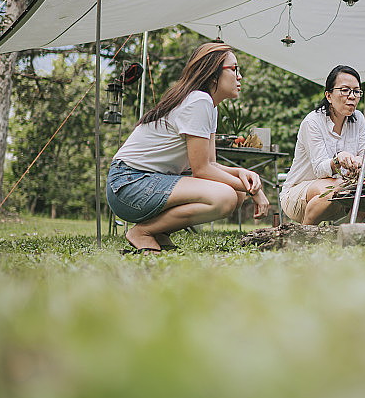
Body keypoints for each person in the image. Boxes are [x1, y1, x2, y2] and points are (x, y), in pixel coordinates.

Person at [106, 42, 269, 252]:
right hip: (129, 185)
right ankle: (142, 232)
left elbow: (210, 164)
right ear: (213, 74)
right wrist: (255, 192)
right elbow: (202, 171)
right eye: (234, 69)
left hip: (148, 181)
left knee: (236, 194)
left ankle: (159, 232)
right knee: (226, 197)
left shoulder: (208, 105)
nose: (240, 76)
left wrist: (241, 173)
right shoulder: (198, 102)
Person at [280, 65, 365, 224]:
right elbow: (320, 169)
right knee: (336, 188)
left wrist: (361, 162)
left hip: (343, 191)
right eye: (345, 90)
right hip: (297, 196)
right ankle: (305, 232)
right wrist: (338, 160)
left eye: (356, 91)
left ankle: (346, 238)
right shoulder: (312, 122)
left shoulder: (359, 119)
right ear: (329, 96)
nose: (352, 96)